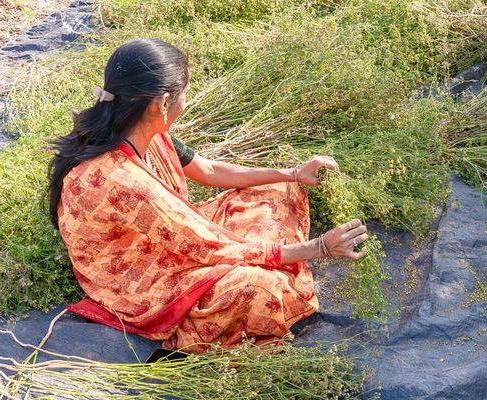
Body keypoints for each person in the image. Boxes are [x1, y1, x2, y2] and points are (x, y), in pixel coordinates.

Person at [47, 38, 368, 353]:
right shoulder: (124, 181)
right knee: (261, 290)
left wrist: (294, 173)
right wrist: (320, 247)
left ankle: (273, 255)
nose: (185, 103)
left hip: (172, 234)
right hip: (142, 281)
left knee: (280, 190)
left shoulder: (137, 129)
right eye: (184, 95)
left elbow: (210, 171)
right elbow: (208, 247)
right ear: (161, 105)